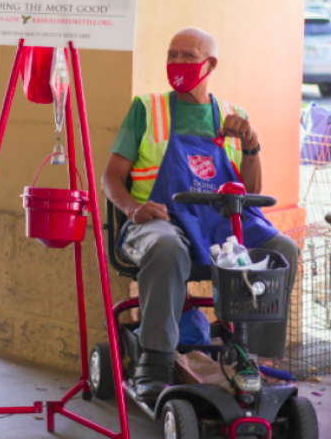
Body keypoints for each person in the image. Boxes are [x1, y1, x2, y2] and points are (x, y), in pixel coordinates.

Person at [101, 27, 298, 404]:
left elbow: (252, 195)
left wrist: (251, 145)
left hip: (218, 229)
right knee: (166, 246)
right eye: (171, 55)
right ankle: (154, 362)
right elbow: (110, 178)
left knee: (281, 249)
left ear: (210, 64)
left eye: (187, 56)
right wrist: (133, 208)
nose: (176, 63)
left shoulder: (233, 116)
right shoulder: (148, 108)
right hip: (159, 222)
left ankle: (248, 358)